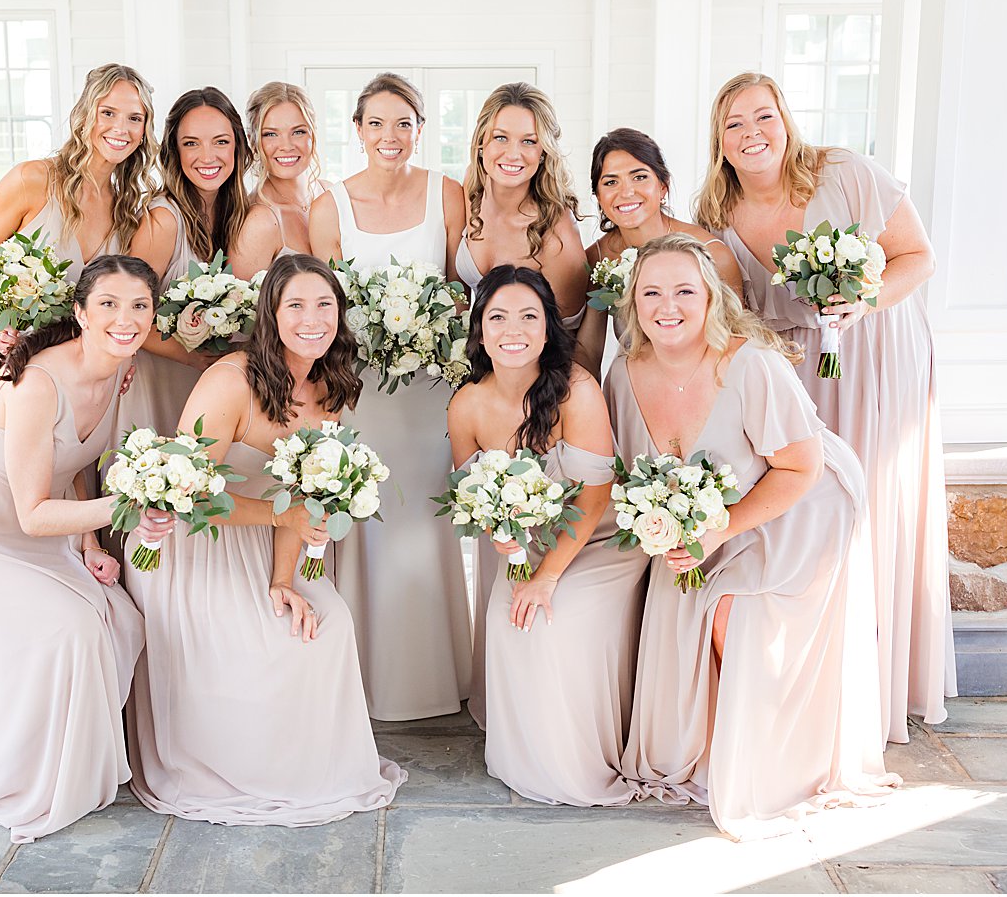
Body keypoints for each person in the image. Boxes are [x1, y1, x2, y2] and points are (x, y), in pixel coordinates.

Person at [695, 72, 953, 745]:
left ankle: (879, 684)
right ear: (719, 142)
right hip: (797, 373)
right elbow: (730, 313)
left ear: (787, 120)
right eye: (734, 124)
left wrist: (863, 300)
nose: (752, 134)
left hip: (875, 354)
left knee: (874, 508)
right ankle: (819, 681)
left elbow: (919, 257)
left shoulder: (844, 173)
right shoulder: (716, 216)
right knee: (817, 509)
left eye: (764, 117)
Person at [612, 235, 898, 840]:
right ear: (633, 303)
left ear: (712, 298)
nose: (668, 306)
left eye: (685, 290)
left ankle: (770, 756)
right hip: (708, 520)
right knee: (679, 602)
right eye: (651, 292)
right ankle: (712, 741)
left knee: (731, 615)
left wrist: (718, 528)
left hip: (796, 505)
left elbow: (801, 465)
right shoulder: (623, 372)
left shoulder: (750, 365)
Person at [123, 253, 406, 825]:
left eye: (325, 305)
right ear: (270, 315)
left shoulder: (329, 388)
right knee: (261, 646)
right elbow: (189, 496)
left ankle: (316, 768)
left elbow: (302, 497)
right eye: (295, 305)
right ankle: (246, 770)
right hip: (189, 546)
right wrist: (283, 522)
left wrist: (283, 581)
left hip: (265, 541)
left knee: (327, 621)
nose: (312, 319)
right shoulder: (230, 381)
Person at [0, 255, 165, 843]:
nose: (126, 319)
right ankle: (26, 774)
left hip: (29, 532)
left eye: (140, 306)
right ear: (80, 313)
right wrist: (129, 510)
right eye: (109, 305)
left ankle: (71, 759)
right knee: (70, 629)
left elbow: (69, 464)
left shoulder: (120, 370)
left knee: (121, 620)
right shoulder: (41, 384)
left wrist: (91, 544)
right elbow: (33, 510)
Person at [307, 72, 472, 721]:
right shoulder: (331, 207)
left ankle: (436, 675)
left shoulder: (447, 193)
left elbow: (462, 291)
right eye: (376, 123)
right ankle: (363, 676)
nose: (390, 136)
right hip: (360, 391)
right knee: (367, 518)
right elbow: (321, 310)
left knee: (425, 518)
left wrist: (436, 322)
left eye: (403, 123)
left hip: (430, 389)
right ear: (357, 130)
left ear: (420, 128)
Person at [447, 265, 641, 807]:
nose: (514, 329)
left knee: (556, 617)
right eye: (498, 316)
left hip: (599, 538)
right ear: (480, 330)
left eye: (529, 316)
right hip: (530, 540)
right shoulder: (466, 404)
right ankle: (520, 756)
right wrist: (500, 536)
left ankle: (571, 762)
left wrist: (547, 577)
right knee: (506, 617)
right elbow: (471, 493)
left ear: (548, 327)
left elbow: (597, 495)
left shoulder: (576, 389)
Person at [0, 64, 156, 437]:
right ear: (84, 114)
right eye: (107, 113)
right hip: (2, 358)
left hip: (70, 371)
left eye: (135, 118)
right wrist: (6, 325)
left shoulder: (127, 209)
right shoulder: (33, 180)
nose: (121, 128)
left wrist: (122, 358)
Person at [120, 86, 289, 440]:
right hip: (162, 381)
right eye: (191, 143)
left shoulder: (243, 216)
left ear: (239, 147)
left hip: (218, 388)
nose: (207, 156)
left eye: (221, 142)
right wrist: (191, 357)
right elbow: (127, 312)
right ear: (174, 151)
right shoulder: (164, 220)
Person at [578, 128, 742, 376]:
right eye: (611, 182)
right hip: (633, 384)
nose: (626, 192)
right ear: (598, 197)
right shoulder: (596, 260)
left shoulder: (711, 255)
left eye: (639, 177)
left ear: (663, 186)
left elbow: (735, 344)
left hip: (705, 384)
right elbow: (588, 350)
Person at [451, 83, 588, 327]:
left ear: (544, 152)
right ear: (482, 143)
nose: (513, 154)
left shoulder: (558, 230)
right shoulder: (472, 186)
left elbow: (568, 336)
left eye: (528, 141)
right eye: (500, 137)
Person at [247, 81, 329, 255]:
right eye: (270, 134)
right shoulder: (258, 221)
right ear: (253, 142)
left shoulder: (330, 194)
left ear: (313, 134)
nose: (286, 146)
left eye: (298, 132)